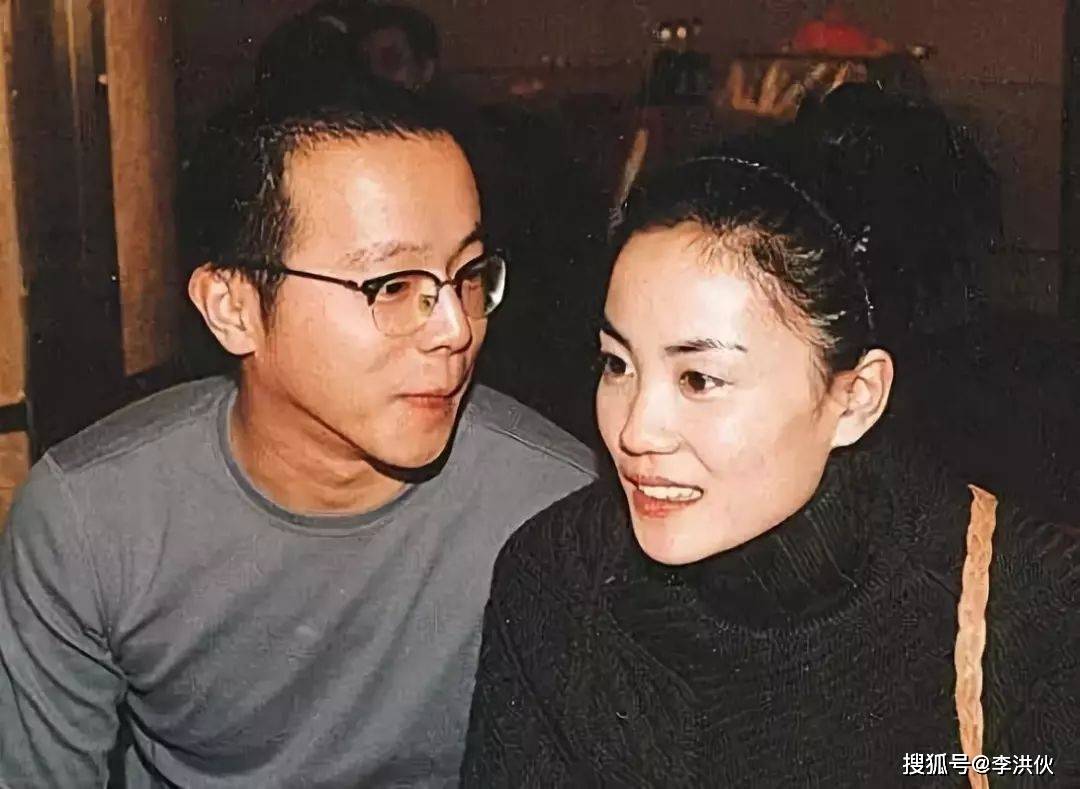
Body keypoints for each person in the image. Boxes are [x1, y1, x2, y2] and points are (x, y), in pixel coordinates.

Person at [0, 85, 595, 787]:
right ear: (233, 309)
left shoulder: (563, 511)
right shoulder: (91, 521)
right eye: (392, 285)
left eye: (467, 276)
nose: (454, 329)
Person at [460, 156, 1080, 785]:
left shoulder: (1031, 607)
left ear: (855, 399)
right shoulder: (558, 575)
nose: (635, 431)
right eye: (618, 364)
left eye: (699, 379)